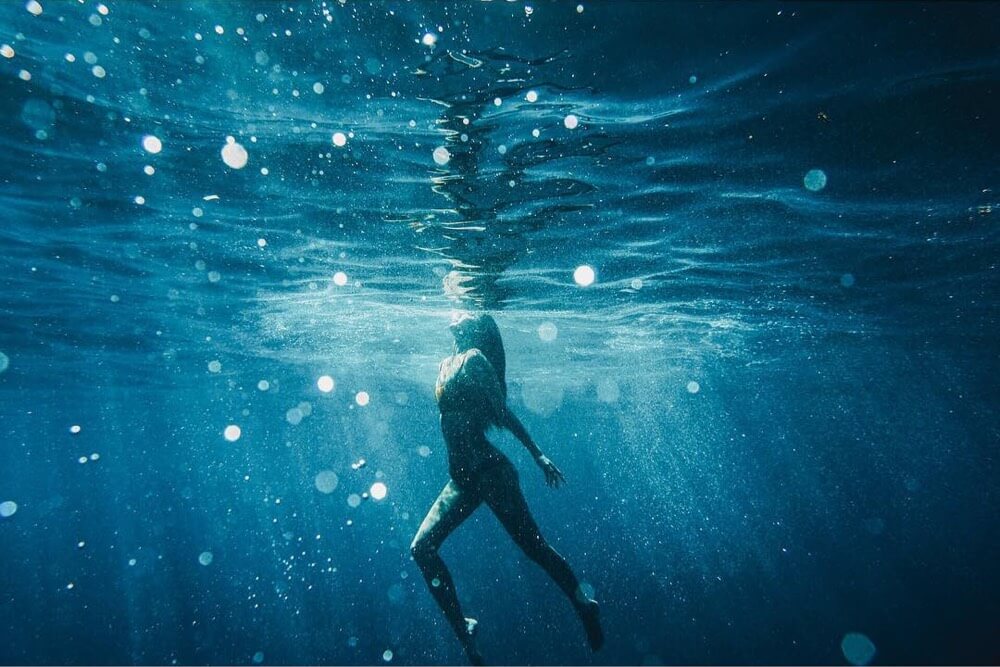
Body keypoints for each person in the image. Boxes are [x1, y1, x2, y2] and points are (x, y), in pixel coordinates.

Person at [410, 312, 604, 665]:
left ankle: (582, 603)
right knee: (422, 548)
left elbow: (503, 413)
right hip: (462, 478)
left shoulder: (476, 360)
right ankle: (463, 626)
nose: (453, 321)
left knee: (534, 548)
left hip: (490, 473)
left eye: (462, 317)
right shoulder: (447, 362)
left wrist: (538, 454)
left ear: (476, 326)